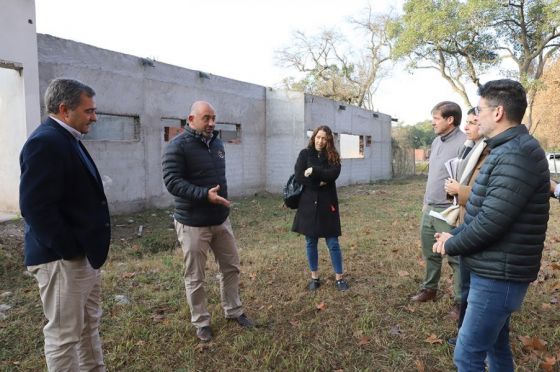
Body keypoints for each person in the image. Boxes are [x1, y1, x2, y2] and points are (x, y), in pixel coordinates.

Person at [433, 79, 550, 371]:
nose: (476, 115)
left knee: (468, 355)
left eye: (479, 109)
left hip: (500, 276)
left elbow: (492, 222)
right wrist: (456, 232)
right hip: (494, 268)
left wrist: (451, 243)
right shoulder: (507, 149)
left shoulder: (516, 154)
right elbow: (485, 209)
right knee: (496, 347)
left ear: (497, 113)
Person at [19, 78, 111, 371]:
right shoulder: (45, 142)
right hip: (62, 260)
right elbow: (35, 207)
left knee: (88, 326)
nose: (94, 117)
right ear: (64, 109)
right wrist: (69, 249)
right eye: (89, 111)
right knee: (64, 335)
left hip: (81, 256)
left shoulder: (66, 139)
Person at [162, 101, 254, 342]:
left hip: (220, 220)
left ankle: (234, 311)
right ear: (191, 119)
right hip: (192, 223)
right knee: (195, 276)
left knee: (231, 267)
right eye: (206, 118)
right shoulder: (177, 147)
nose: (212, 123)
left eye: (214, 118)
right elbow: (172, 182)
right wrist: (204, 195)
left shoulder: (217, 142)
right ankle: (201, 321)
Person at [411, 101, 465, 319]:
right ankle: (429, 289)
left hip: (448, 212)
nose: (432, 122)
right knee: (429, 252)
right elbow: (434, 176)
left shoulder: (464, 143)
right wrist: (425, 202)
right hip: (429, 208)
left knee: (454, 257)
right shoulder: (435, 141)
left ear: (449, 120)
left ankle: (461, 302)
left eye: (436, 118)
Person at [442, 108, 488, 345]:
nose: (466, 127)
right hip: (465, 220)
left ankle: (468, 338)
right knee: (467, 285)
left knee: (473, 289)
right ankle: (464, 334)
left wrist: (460, 191)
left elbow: (488, 195)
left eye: (472, 122)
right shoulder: (471, 149)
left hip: (477, 225)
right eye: (467, 122)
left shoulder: (490, 152)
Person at [291, 125, 349, 291]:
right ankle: (314, 277)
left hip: (327, 203)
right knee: (310, 241)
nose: (320, 141)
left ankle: (339, 278)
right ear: (314, 137)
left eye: (324, 138)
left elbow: (333, 174)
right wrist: (319, 181)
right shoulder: (304, 154)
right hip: (308, 204)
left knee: (333, 242)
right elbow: (298, 176)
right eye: (318, 137)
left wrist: (314, 170)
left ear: (328, 140)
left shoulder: (333, 156)